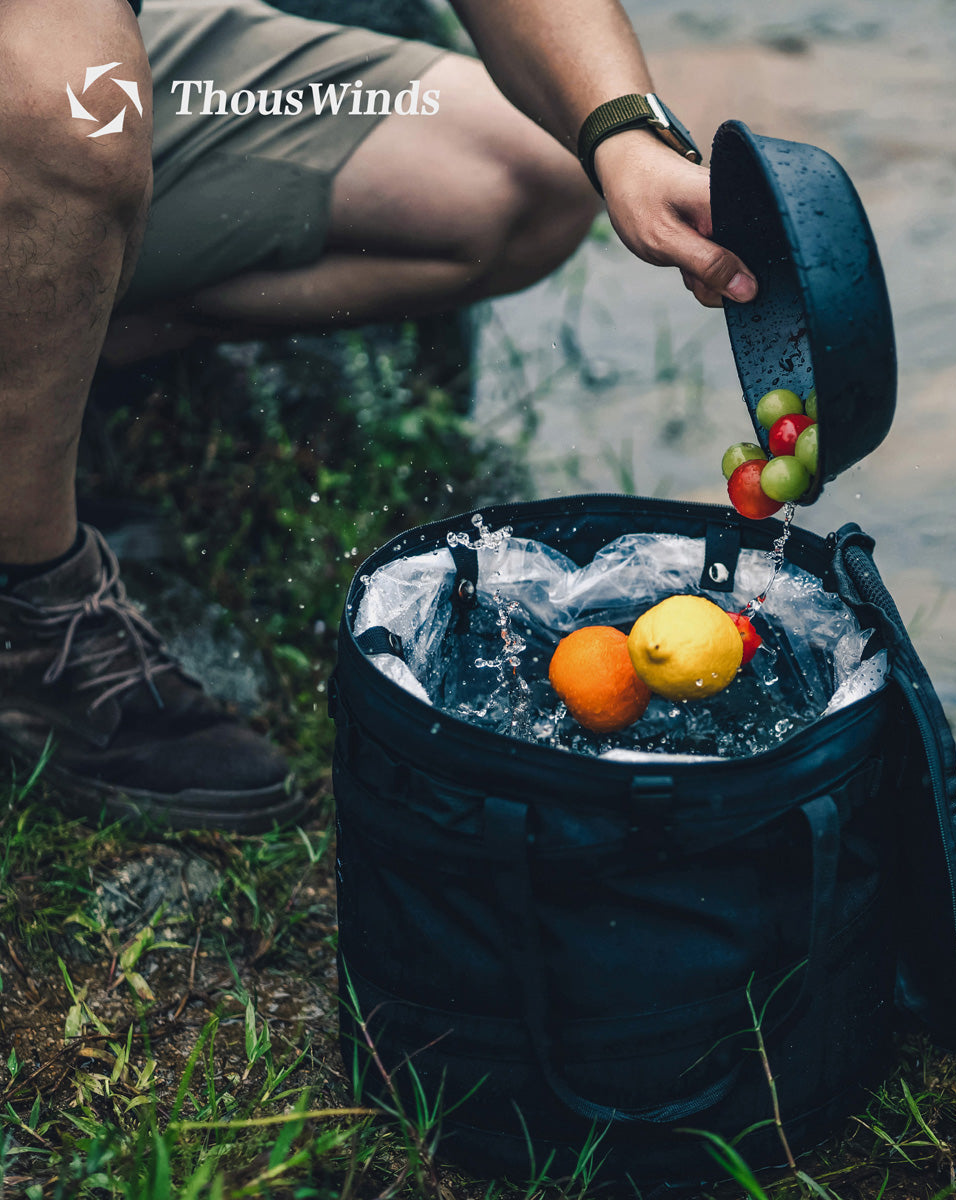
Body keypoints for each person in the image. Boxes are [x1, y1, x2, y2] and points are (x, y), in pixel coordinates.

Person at [0, 0, 758, 832]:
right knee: (67, 114)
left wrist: (623, 133)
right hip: (50, 86)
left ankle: (49, 343)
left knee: (527, 177)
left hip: (92, 74)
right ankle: (34, 611)